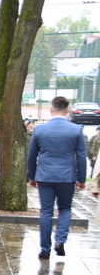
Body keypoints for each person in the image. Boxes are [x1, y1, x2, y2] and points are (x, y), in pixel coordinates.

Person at [27, 96, 88, 260]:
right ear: (67, 111)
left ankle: (45, 249)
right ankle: (60, 240)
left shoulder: (39, 130)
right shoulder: (76, 130)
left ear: (51, 109)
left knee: (46, 211)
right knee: (65, 208)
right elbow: (81, 156)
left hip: (44, 176)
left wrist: (32, 176)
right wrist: (82, 179)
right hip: (67, 176)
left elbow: (31, 156)